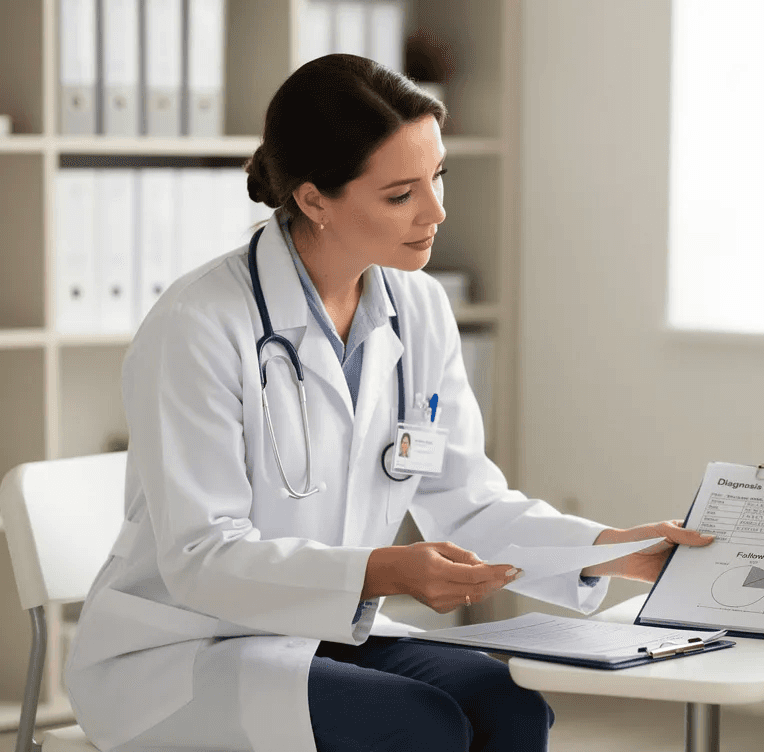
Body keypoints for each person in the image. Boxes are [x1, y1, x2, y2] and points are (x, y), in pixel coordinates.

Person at [64, 54, 711, 752]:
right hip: (188, 649)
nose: (436, 211)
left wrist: (606, 551)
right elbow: (201, 557)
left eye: (437, 176)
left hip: (322, 630)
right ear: (314, 200)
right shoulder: (199, 324)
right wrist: (383, 571)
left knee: (508, 704)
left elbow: (465, 500)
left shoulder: (418, 307)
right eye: (401, 194)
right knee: (419, 725)